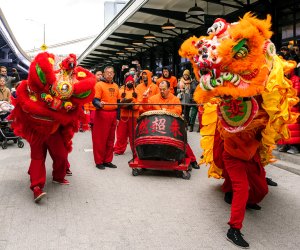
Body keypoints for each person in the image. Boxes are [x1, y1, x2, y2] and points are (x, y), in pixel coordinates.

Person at [10, 52, 96, 203]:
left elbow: (75, 101)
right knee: (37, 158)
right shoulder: (37, 86)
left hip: (54, 130)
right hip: (37, 130)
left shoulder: (71, 82)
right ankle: (36, 187)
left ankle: (58, 177)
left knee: (61, 155)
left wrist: (66, 106)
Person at [143, 80, 199, 169]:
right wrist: (145, 98)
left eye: (164, 89)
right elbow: (146, 108)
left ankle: (193, 160)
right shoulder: (153, 98)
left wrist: (167, 111)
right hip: (157, 127)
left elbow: (179, 110)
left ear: (169, 89)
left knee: (182, 141)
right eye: (160, 89)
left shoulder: (174, 99)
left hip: (170, 126)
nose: (162, 91)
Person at [92, 66, 119, 170]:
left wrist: (118, 117)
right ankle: (99, 161)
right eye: (107, 72)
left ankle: (108, 160)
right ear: (103, 74)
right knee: (100, 139)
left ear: (114, 74)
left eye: (111, 72)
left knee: (111, 139)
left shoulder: (116, 86)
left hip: (113, 113)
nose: (109, 74)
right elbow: (95, 100)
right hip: (102, 113)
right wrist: (99, 103)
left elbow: (119, 102)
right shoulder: (99, 85)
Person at [114, 75, 139, 156]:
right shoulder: (120, 91)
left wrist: (133, 106)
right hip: (123, 116)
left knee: (134, 135)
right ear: (125, 82)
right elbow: (117, 103)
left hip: (134, 116)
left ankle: (136, 151)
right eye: (128, 81)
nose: (130, 83)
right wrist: (123, 104)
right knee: (121, 135)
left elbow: (139, 103)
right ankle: (119, 149)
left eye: (131, 81)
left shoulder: (137, 91)